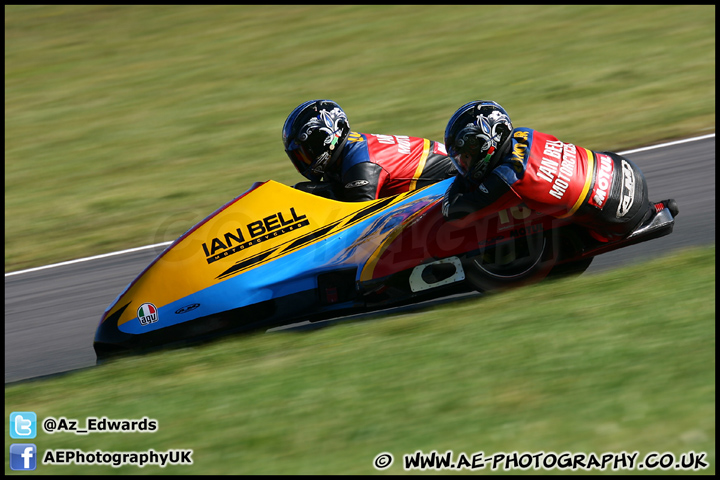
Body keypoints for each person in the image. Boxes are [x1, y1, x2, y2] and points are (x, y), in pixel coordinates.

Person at [441, 100, 678, 240]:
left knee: (504, 215)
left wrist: (456, 187)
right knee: (545, 193)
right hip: (625, 169)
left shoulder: (509, 177)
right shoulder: (524, 134)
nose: (463, 164)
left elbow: (457, 214)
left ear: (488, 143)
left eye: (467, 156)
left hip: (617, 217)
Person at [282, 99, 457, 202]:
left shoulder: (362, 164)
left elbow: (361, 218)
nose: (302, 160)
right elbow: (337, 189)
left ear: (325, 141)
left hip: (449, 185)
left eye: (304, 153)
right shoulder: (346, 151)